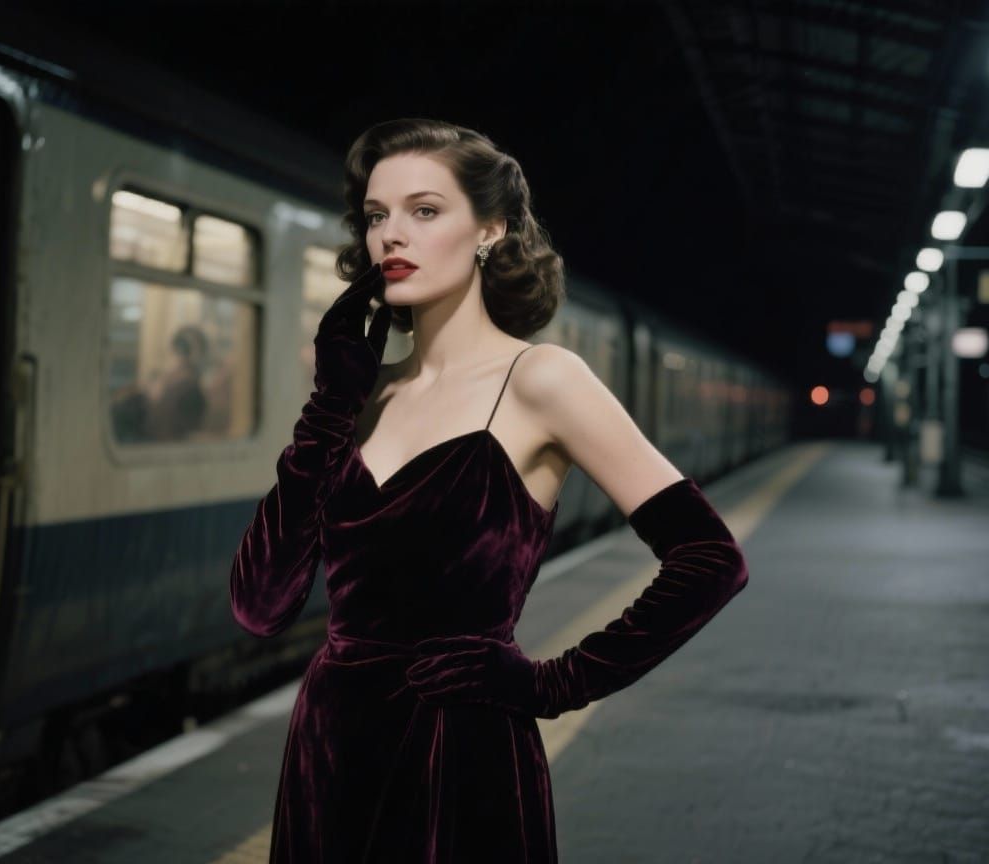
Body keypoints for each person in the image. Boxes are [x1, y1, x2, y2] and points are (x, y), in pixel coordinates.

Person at [229, 118, 749, 862]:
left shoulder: (543, 380)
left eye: (425, 210)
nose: (391, 235)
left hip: (461, 752)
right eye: (376, 216)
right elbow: (260, 606)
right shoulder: (360, 398)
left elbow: (711, 559)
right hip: (329, 748)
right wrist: (329, 407)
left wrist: (552, 686)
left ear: (491, 230)